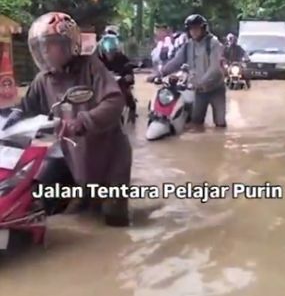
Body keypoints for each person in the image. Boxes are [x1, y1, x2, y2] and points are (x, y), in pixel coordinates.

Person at [2, 12, 132, 227]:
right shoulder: (42, 80)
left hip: (111, 157)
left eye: (50, 44)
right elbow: (26, 110)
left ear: (68, 44)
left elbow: (114, 101)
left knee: (114, 219)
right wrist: (8, 120)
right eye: (40, 45)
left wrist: (81, 122)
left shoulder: (91, 67)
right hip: (76, 156)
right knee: (76, 213)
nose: (44, 50)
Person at [147, 14, 226, 128]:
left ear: (203, 28)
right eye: (191, 29)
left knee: (220, 123)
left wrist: (201, 82)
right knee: (196, 123)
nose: (194, 31)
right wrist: (159, 74)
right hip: (199, 91)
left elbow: (215, 68)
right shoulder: (188, 45)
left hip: (216, 89)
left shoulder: (213, 43)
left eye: (196, 28)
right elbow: (176, 62)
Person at [98, 34, 137, 123]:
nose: (109, 54)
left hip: (120, 84)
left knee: (126, 92)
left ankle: (132, 109)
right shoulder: (98, 60)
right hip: (104, 85)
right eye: (107, 52)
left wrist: (128, 77)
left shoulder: (122, 58)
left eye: (112, 51)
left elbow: (129, 73)